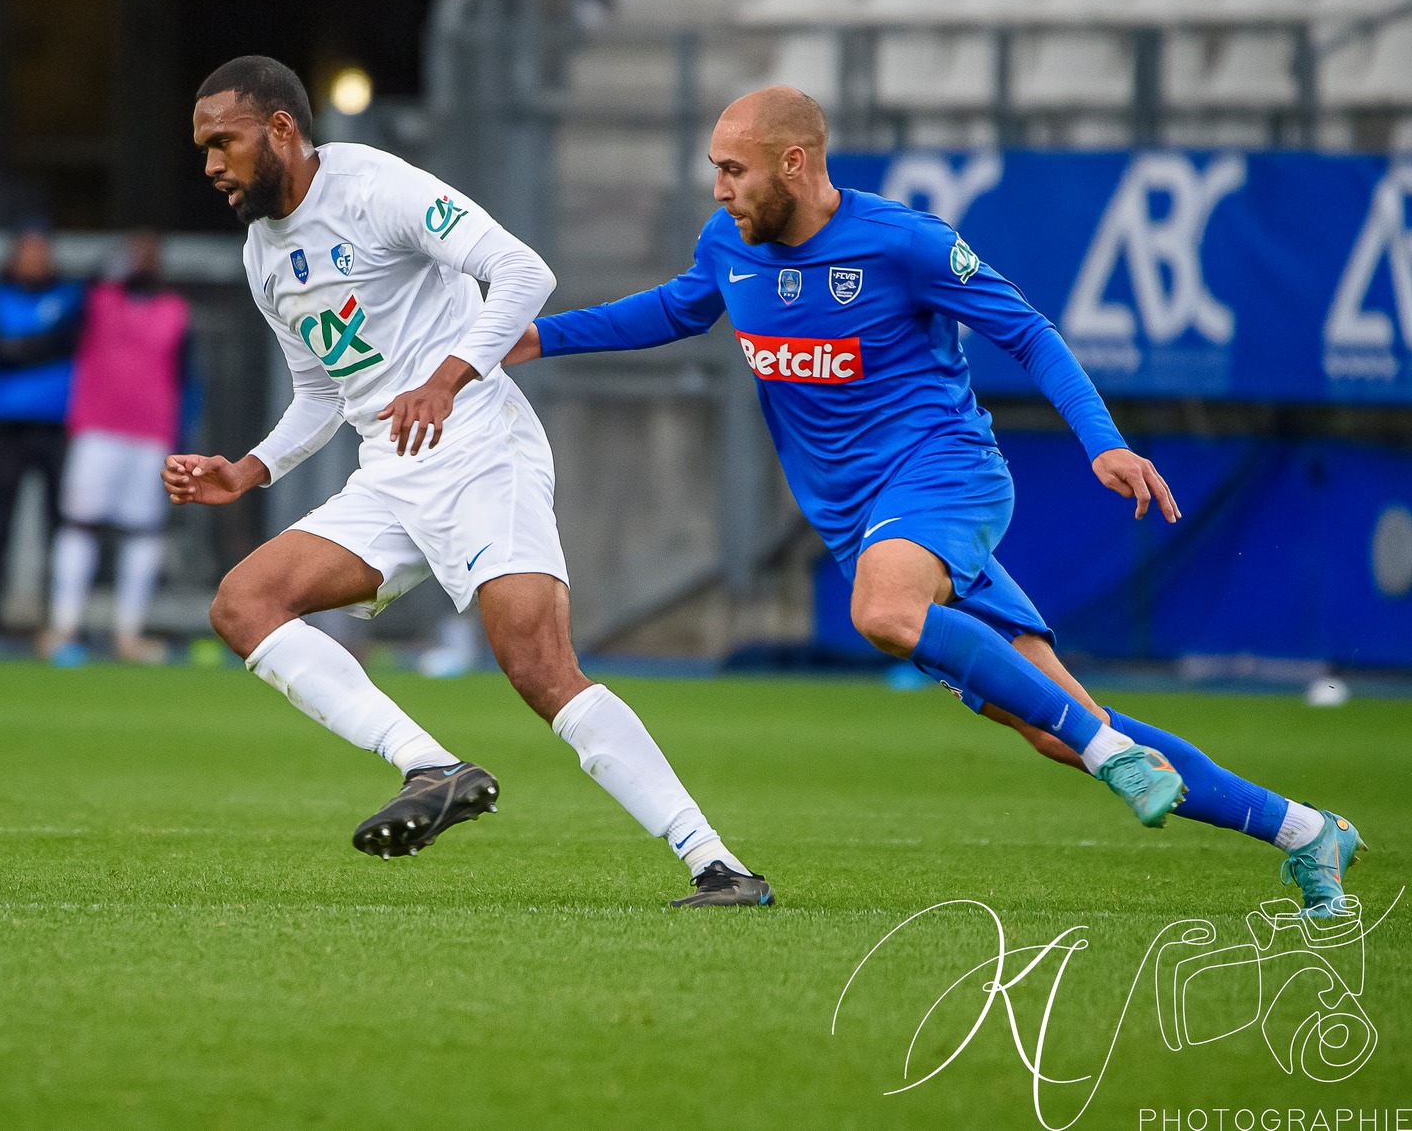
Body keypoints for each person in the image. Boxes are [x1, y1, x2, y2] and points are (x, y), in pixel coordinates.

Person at [510, 85, 1365, 919]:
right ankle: (1306, 829)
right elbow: (672, 309)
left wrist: (1102, 439)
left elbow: (1026, 328)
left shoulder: (903, 243)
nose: (719, 186)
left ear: (794, 162)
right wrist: (541, 337)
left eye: (734, 169)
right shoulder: (728, 245)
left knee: (884, 609)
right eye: (715, 169)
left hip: (944, 474)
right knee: (1055, 721)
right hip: (860, 519)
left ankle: (1110, 753)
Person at [167, 55, 768, 907]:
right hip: (392, 471)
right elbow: (320, 391)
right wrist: (249, 469)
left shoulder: (376, 187)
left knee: (538, 664)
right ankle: (431, 766)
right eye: (202, 149)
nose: (211, 167)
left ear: (282, 129)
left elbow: (525, 273)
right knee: (243, 603)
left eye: (222, 143)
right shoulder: (264, 256)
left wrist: (446, 379)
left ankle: (717, 862)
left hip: (482, 445)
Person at [42, 230, 196, 665]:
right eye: (135, 254)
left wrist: (181, 440)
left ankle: (129, 633)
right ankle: (64, 626)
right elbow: (63, 318)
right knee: (79, 522)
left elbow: (188, 381)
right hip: (97, 431)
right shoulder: (96, 301)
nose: (143, 262)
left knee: (144, 530)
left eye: (151, 254)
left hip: (151, 437)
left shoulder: (176, 311)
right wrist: (101, 270)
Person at [0, 220, 87, 634]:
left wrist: (18, 347)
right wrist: (37, 346)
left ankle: (57, 619)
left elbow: (67, 339)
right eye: (27, 251)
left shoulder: (70, 295)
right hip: (6, 424)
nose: (35, 260)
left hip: (57, 424)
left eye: (42, 251)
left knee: (63, 525)